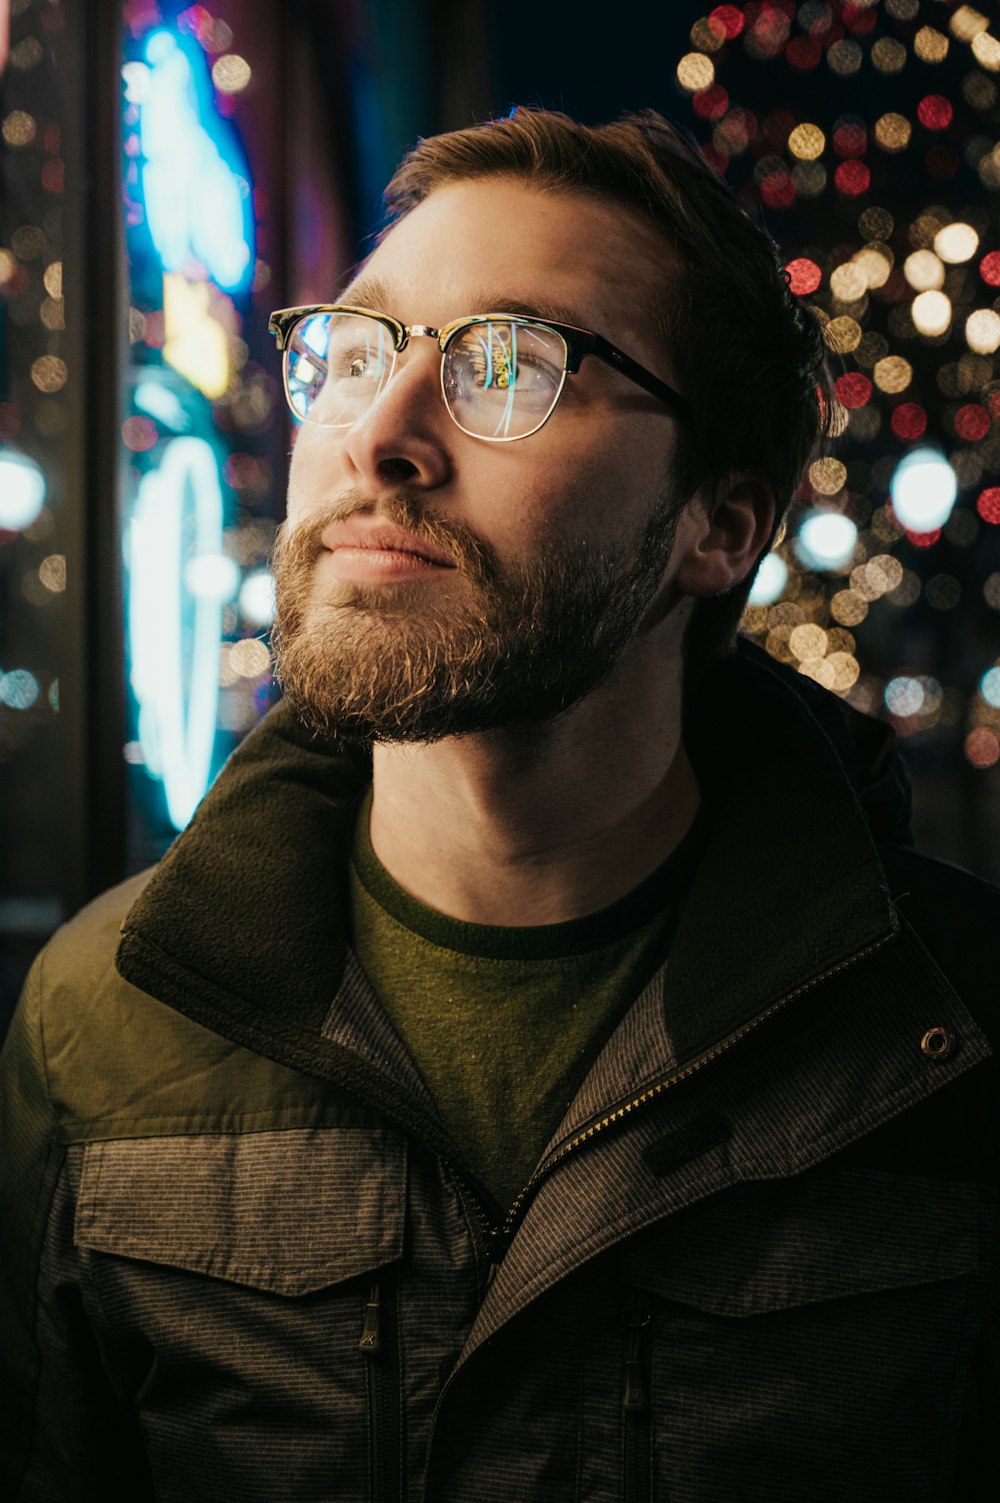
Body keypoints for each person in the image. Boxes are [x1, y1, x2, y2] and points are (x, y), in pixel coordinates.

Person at [1, 105, 997, 1503]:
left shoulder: (954, 1033)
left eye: (510, 363)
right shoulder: (105, 1018)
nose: (381, 436)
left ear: (718, 526)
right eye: (355, 355)